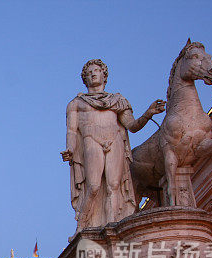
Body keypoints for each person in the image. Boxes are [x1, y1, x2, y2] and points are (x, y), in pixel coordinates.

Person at [62, 59, 165, 232]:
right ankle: (82, 224)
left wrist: (148, 114)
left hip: (115, 140)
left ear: (104, 75)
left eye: (96, 70)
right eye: (89, 73)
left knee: (114, 185)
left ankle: (112, 227)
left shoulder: (117, 100)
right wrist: (70, 149)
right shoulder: (76, 104)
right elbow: (72, 131)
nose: (93, 74)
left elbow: (132, 126)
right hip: (91, 140)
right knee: (93, 186)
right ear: (84, 79)